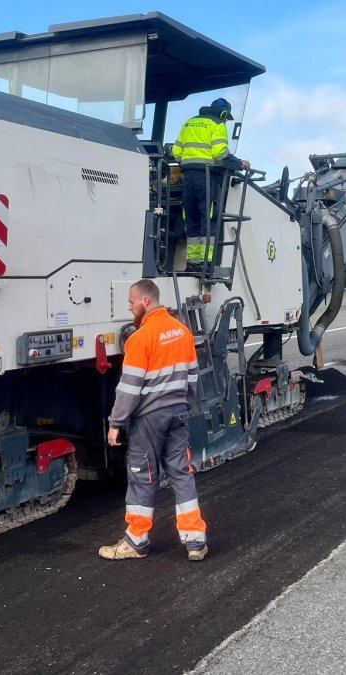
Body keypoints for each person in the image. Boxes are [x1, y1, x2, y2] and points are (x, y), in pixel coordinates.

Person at [99, 279, 209, 562]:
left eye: (131, 301)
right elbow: (194, 376)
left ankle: (136, 541)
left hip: (149, 419)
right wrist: (190, 407)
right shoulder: (183, 332)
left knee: (143, 477)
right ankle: (195, 541)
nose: (129, 306)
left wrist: (115, 423)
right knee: (182, 474)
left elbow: (130, 387)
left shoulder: (140, 338)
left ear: (145, 301)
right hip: (178, 413)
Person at [172, 97, 250, 271]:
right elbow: (220, 153)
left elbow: (176, 152)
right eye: (225, 117)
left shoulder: (189, 123)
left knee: (191, 219)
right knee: (208, 218)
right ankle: (206, 262)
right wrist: (239, 163)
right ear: (223, 113)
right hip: (206, 178)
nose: (225, 120)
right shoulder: (217, 125)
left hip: (187, 177)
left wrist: (189, 162)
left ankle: (192, 262)